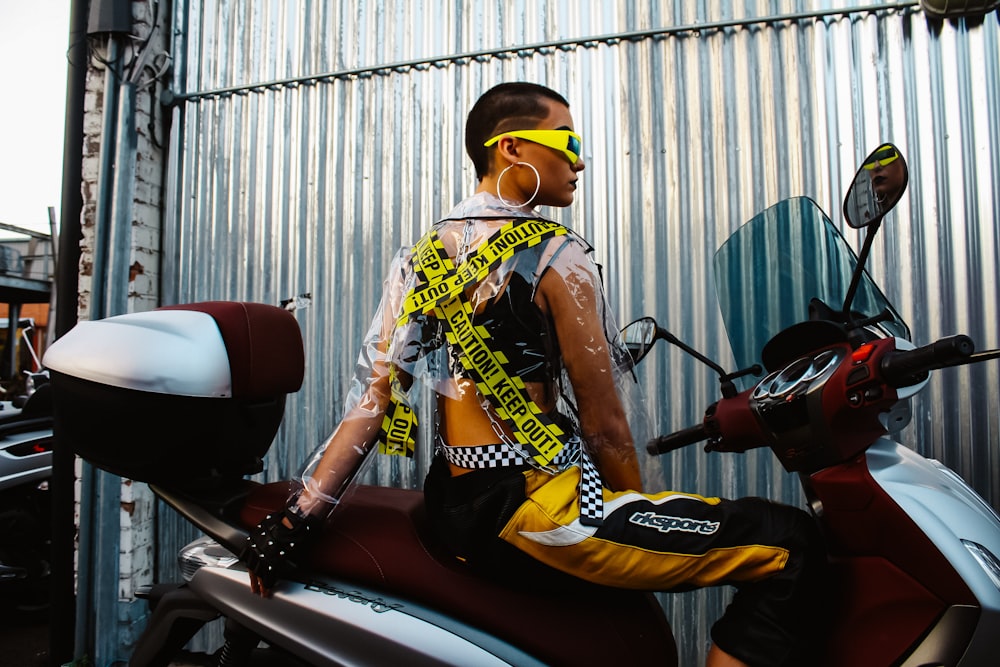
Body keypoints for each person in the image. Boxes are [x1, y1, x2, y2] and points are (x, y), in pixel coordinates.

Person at [242, 82, 825, 667]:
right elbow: (604, 419)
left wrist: (299, 517)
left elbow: (374, 400)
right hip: (531, 507)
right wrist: (636, 512)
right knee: (792, 543)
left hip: (457, 506)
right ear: (513, 148)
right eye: (567, 141)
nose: (578, 160)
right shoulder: (556, 255)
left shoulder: (420, 257)